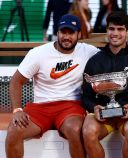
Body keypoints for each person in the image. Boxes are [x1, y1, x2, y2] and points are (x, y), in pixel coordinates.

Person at [5, 14, 100, 158]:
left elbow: (113, 50)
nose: (66, 37)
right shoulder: (38, 53)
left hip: (70, 106)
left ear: (79, 34)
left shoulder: (88, 51)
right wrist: (17, 109)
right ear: (57, 33)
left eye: (71, 33)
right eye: (63, 32)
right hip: (40, 107)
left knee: (75, 129)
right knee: (13, 131)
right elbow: (16, 82)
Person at [82, 11, 128, 158]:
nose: (115, 33)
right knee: (88, 132)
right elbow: (86, 96)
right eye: (112, 29)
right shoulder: (94, 61)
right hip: (102, 112)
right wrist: (93, 107)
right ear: (106, 30)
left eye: (120, 29)